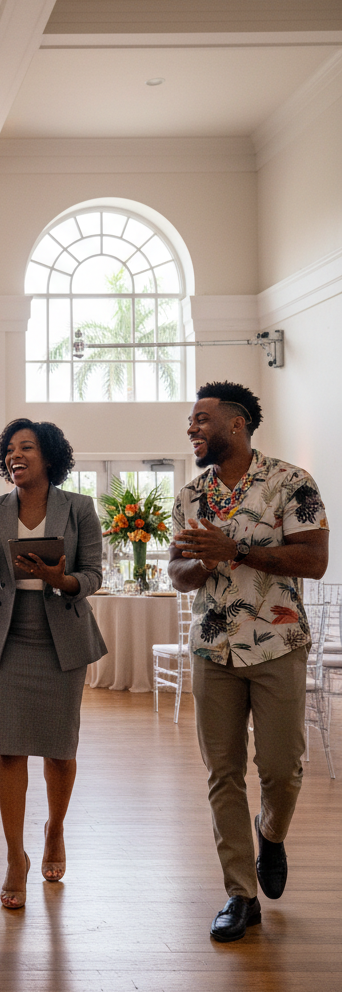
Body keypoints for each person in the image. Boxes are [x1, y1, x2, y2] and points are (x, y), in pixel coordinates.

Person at [169, 381, 329, 943]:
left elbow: (313, 560)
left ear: (236, 424)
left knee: (282, 769)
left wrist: (235, 549)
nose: (192, 427)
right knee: (224, 772)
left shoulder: (291, 482)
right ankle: (240, 894)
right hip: (212, 649)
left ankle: (272, 833)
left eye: (202, 419)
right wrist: (203, 563)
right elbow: (177, 573)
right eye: (191, 421)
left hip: (277, 643)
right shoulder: (190, 496)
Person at [0, 418, 106, 910]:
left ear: (49, 457)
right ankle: (14, 857)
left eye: (26, 447)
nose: (15, 455)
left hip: (61, 637)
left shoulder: (79, 508)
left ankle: (55, 829)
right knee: (9, 750)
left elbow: (93, 575)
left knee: (60, 752)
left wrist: (60, 580)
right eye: (9, 449)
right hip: (8, 639)